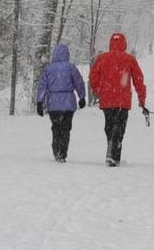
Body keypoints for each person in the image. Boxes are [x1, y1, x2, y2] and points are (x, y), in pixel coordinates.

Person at [88, 32, 147, 166]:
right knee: (119, 127)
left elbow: (93, 77)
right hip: (122, 101)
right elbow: (139, 80)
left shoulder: (102, 58)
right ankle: (115, 155)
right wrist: (141, 99)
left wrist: (98, 90)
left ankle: (111, 149)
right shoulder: (129, 59)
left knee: (109, 126)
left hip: (107, 100)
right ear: (124, 44)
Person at [35, 43, 86, 162]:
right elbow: (79, 83)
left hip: (53, 104)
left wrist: (40, 102)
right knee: (66, 128)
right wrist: (82, 97)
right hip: (68, 103)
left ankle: (56, 149)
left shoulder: (49, 69)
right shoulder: (71, 67)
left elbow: (42, 86)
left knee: (56, 127)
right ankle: (62, 152)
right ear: (67, 54)